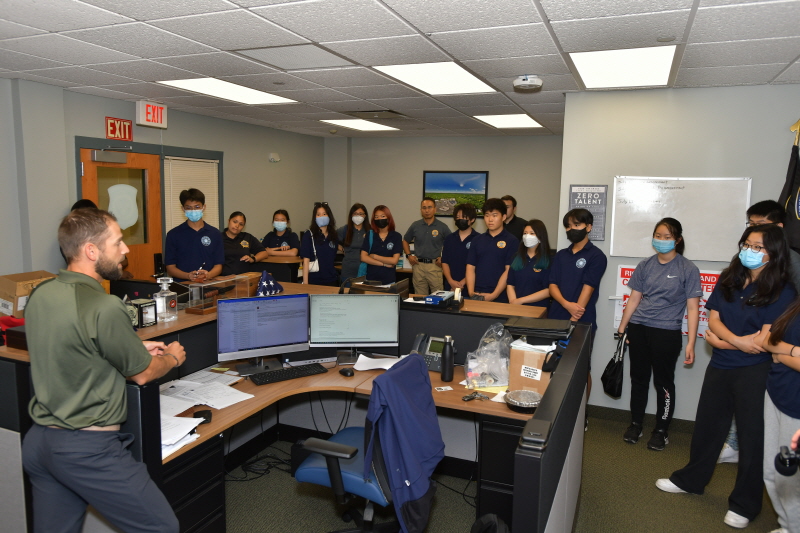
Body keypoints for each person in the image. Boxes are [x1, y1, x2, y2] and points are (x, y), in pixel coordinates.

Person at [22, 208, 185, 533]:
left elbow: (73, 349)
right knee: (162, 527)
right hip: (88, 450)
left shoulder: (41, 294)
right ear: (91, 251)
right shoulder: (106, 306)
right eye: (118, 242)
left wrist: (130, 349)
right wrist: (172, 359)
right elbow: (143, 374)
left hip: (40, 443)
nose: (125, 250)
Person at [657, 224, 796, 530]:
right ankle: (691, 480)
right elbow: (714, 320)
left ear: (774, 253)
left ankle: (745, 505)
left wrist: (723, 341)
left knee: (751, 437)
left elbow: (764, 340)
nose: (749, 251)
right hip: (721, 364)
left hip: (756, 370)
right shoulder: (729, 278)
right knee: (708, 427)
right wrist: (731, 342)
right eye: (747, 244)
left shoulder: (783, 290)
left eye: (758, 247)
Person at [616, 218, 702, 451]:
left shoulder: (688, 269)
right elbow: (634, 298)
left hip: (666, 332)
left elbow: (693, 308)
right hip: (639, 328)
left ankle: (661, 430)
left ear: (678, 240)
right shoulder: (645, 265)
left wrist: (691, 343)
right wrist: (622, 327)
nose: (661, 240)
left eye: (667, 237)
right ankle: (636, 424)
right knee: (638, 379)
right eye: (658, 236)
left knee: (663, 383)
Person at [761, 299, 800, 533]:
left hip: (796, 408)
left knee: (791, 480)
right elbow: (768, 340)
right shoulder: (794, 305)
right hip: (776, 394)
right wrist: (793, 351)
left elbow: (775, 348)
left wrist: (782, 354)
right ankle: (787, 526)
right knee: (772, 472)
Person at [466, 198, 519, 303]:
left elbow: (508, 270)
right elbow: (470, 267)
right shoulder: (477, 240)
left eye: (494, 215)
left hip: (500, 296)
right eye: (487, 215)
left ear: (503, 217)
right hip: (477, 294)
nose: (490, 219)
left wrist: (494, 294)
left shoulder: (512, 241)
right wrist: (471, 292)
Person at [164, 188, 223, 282]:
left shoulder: (215, 233)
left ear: (204, 207)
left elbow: (219, 265)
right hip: (183, 286)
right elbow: (170, 268)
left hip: (208, 286)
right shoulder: (173, 234)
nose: (193, 210)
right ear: (183, 209)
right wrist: (188, 276)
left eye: (197, 207)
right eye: (188, 208)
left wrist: (208, 275)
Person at [747, 199, 800, 291]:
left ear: (779, 226)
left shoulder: (791, 260)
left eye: (761, 224)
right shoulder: (744, 255)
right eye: (752, 224)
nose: (755, 229)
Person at [403, 197, 451, 294]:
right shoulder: (415, 225)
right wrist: (409, 255)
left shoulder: (442, 227)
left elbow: (451, 244)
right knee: (420, 297)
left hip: (435, 266)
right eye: (424, 208)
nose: (427, 210)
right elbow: (405, 241)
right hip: (418, 266)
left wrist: (444, 258)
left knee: (438, 296)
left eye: (429, 207)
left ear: (435, 209)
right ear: (421, 210)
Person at [506, 219, 552, 307]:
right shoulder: (516, 258)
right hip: (516, 307)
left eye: (532, 233)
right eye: (525, 233)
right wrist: (513, 302)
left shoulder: (549, 260)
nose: (527, 236)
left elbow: (548, 290)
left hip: (538, 308)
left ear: (540, 237)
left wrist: (521, 300)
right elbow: (510, 284)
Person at [360, 205, 402, 285]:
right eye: (376, 217)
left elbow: (394, 260)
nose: (379, 219)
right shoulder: (370, 235)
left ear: (388, 218)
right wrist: (383, 264)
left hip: (389, 281)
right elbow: (363, 257)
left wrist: (374, 256)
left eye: (383, 216)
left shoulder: (396, 236)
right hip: (370, 280)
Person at [300, 202, 339, 286]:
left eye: (324, 214)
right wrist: (305, 284)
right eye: (318, 215)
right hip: (314, 281)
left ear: (329, 216)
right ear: (314, 218)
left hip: (331, 279)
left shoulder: (334, 235)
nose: (321, 217)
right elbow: (306, 261)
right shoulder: (308, 235)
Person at [442, 203, 478, 291]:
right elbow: (445, 262)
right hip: (450, 287)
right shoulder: (449, 238)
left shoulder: (479, 239)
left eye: (463, 217)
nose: (460, 220)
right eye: (458, 217)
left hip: (470, 287)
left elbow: (479, 265)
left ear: (472, 219)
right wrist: (451, 281)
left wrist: (462, 282)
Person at [221, 211, 268, 276]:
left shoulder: (247, 237)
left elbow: (264, 253)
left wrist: (253, 259)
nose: (237, 226)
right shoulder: (218, 238)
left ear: (243, 227)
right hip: (224, 278)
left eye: (241, 224)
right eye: (235, 222)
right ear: (229, 221)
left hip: (244, 277)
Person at [337, 203, 369, 282]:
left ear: (365, 216)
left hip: (366, 270)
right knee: (348, 290)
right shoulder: (345, 230)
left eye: (360, 214)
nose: (358, 216)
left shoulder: (370, 230)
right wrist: (340, 247)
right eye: (355, 213)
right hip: (348, 271)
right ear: (351, 215)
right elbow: (331, 239)